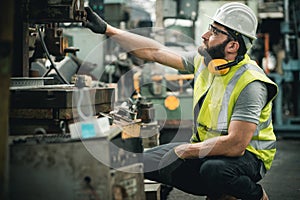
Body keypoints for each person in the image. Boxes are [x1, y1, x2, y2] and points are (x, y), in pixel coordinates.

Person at [84, 2, 278, 200]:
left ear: (232, 45)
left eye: (214, 32)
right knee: (141, 162)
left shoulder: (251, 83)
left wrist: (187, 150)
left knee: (214, 170)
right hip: (209, 147)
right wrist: (108, 29)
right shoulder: (205, 63)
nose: (205, 36)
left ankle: (255, 195)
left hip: (248, 157)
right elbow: (154, 51)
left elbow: (236, 145)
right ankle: (220, 191)